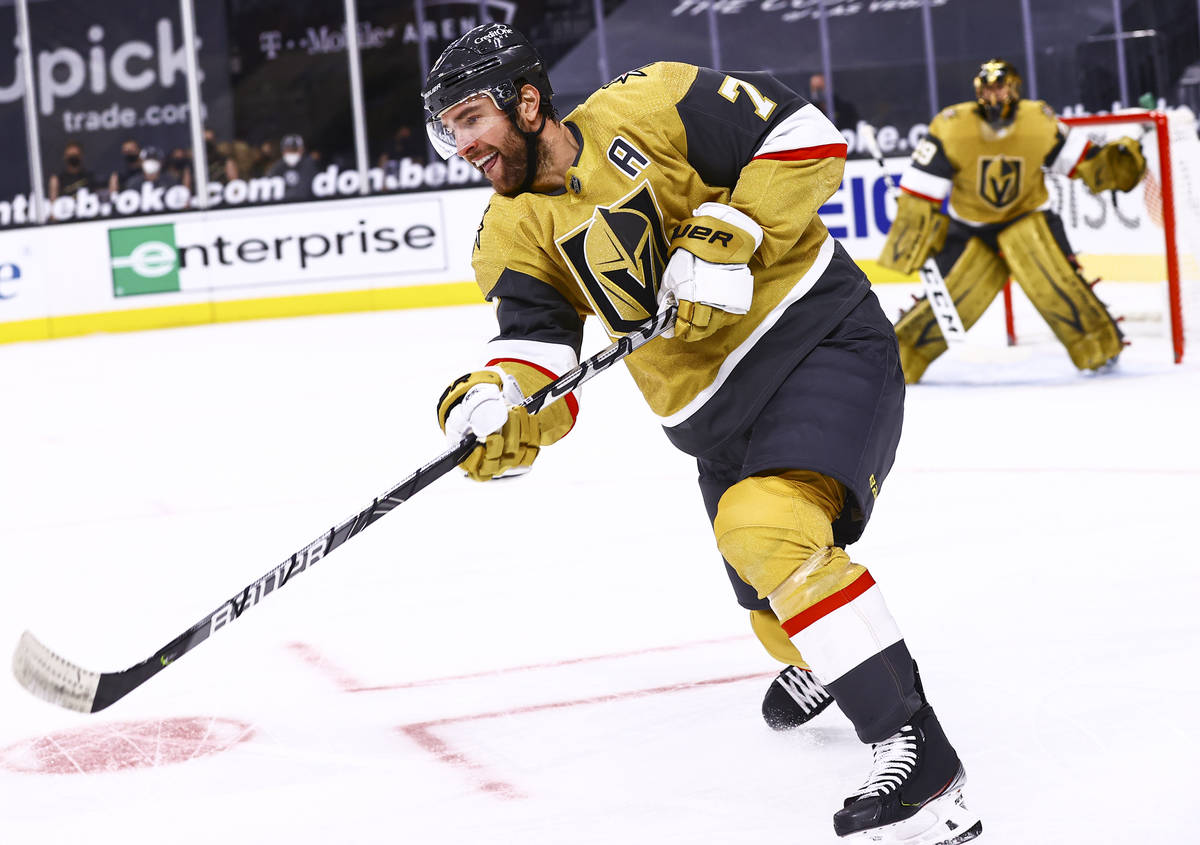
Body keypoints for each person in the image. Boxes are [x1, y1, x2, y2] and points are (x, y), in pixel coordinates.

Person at [421, 23, 981, 844]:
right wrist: (497, 403)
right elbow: (538, 352)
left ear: (527, 101)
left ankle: (923, 764)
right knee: (768, 603)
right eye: (449, 128)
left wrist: (732, 231)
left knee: (768, 531)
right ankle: (820, 661)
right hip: (715, 420)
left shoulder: (651, 103)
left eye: (471, 117)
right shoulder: (510, 231)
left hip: (816, 340)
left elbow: (807, 135)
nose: (461, 143)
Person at [879, 58, 1146, 383]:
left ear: (1015, 87)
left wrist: (1110, 162)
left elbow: (1082, 162)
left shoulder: (1039, 120)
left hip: (1027, 219)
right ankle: (899, 358)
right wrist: (915, 224)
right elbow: (923, 189)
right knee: (951, 301)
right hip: (970, 228)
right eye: (988, 87)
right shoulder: (952, 124)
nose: (994, 95)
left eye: (1001, 86)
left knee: (1060, 285)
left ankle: (1099, 346)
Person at [266, 134, 318, 201]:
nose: (291, 153)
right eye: (288, 150)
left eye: (294, 150)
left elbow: (305, 190)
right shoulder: (278, 167)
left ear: (301, 150)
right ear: (283, 152)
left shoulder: (309, 164)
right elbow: (268, 187)